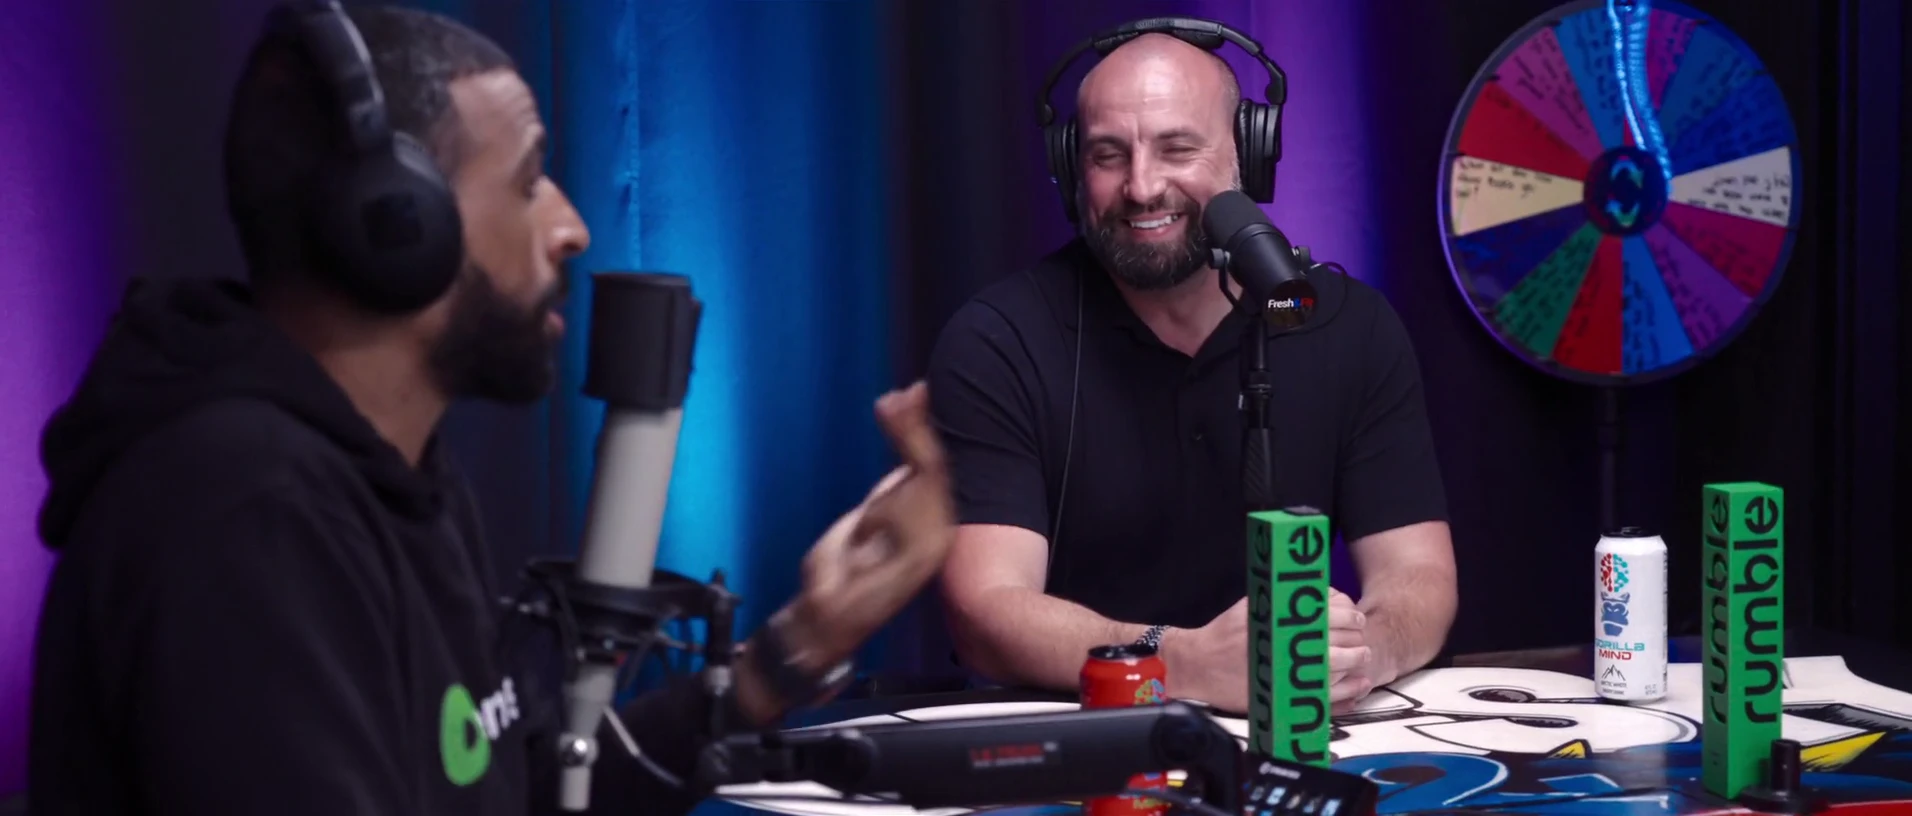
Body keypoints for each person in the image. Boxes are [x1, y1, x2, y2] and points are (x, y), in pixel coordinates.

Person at [26, 5, 953, 816]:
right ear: (396, 222)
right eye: (528, 180)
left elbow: (524, 794)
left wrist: (800, 644)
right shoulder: (242, 513)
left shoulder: (395, 480)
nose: (571, 227)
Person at [926, 29, 1456, 715]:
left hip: (1288, 733)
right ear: (1071, 168)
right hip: (1084, 735)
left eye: (1177, 149)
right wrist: (1180, 662)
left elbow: (1420, 576)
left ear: (1249, 156)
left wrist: (1364, 656)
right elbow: (986, 609)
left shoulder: (1350, 326)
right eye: (1108, 155)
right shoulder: (998, 341)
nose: (1143, 186)